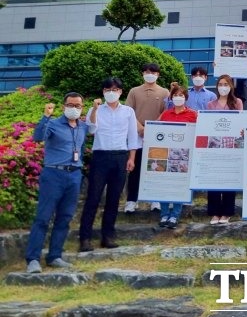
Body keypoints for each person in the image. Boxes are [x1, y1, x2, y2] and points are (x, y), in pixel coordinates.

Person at [25, 93, 92, 273]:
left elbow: (92, 131)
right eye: (70, 105)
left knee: (65, 217)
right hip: (53, 174)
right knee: (43, 217)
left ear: (82, 107)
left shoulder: (82, 127)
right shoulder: (53, 124)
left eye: (78, 105)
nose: (74, 108)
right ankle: (32, 259)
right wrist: (46, 116)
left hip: (74, 175)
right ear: (64, 106)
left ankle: (55, 256)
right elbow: (38, 137)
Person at [79, 77, 138, 252]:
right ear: (103, 92)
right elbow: (91, 129)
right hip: (100, 156)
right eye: (107, 90)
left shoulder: (128, 111)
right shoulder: (95, 109)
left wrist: (131, 158)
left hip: (120, 156)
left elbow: (133, 136)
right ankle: (85, 238)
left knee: (113, 199)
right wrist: (95, 110)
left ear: (120, 92)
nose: (111, 93)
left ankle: (108, 236)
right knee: (93, 198)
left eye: (114, 89)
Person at [124, 63, 170, 213]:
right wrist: (140, 128)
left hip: (156, 134)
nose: (149, 74)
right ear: (142, 73)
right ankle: (131, 200)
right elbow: (129, 111)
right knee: (135, 168)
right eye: (146, 72)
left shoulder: (164, 92)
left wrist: (152, 127)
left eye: (153, 72)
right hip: (136, 133)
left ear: (158, 75)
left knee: (156, 166)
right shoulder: (134, 91)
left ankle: (155, 199)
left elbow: (165, 113)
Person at [156, 85, 198, 229]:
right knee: (164, 183)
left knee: (180, 184)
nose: (178, 97)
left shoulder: (193, 115)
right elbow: (158, 132)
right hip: (166, 154)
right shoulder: (166, 114)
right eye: (175, 95)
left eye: (181, 95)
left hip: (184, 155)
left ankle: (175, 215)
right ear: (171, 97)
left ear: (186, 98)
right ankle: (164, 213)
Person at [207, 75, 243, 224]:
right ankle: (215, 212)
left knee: (229, 178)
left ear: (231, 86)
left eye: (226, 84)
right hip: (215, 145)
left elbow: (240, 122)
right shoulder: (210, 104)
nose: (223, 87)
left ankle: (227, 212)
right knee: (214, 179)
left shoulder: (237, 102)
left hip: (231, 145)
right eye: (220, 84)